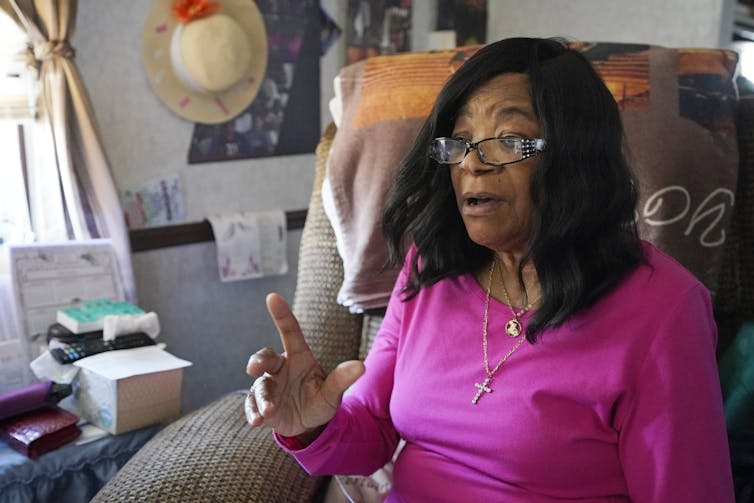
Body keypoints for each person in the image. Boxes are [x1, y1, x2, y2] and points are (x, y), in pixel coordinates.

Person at [245, 37, 734, 502]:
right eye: (460, 141)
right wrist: (308, 423)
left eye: (508, 139)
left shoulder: (665, 309)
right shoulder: (431, 265)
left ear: (576, 156)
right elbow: (371, 428)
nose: (472, 165)